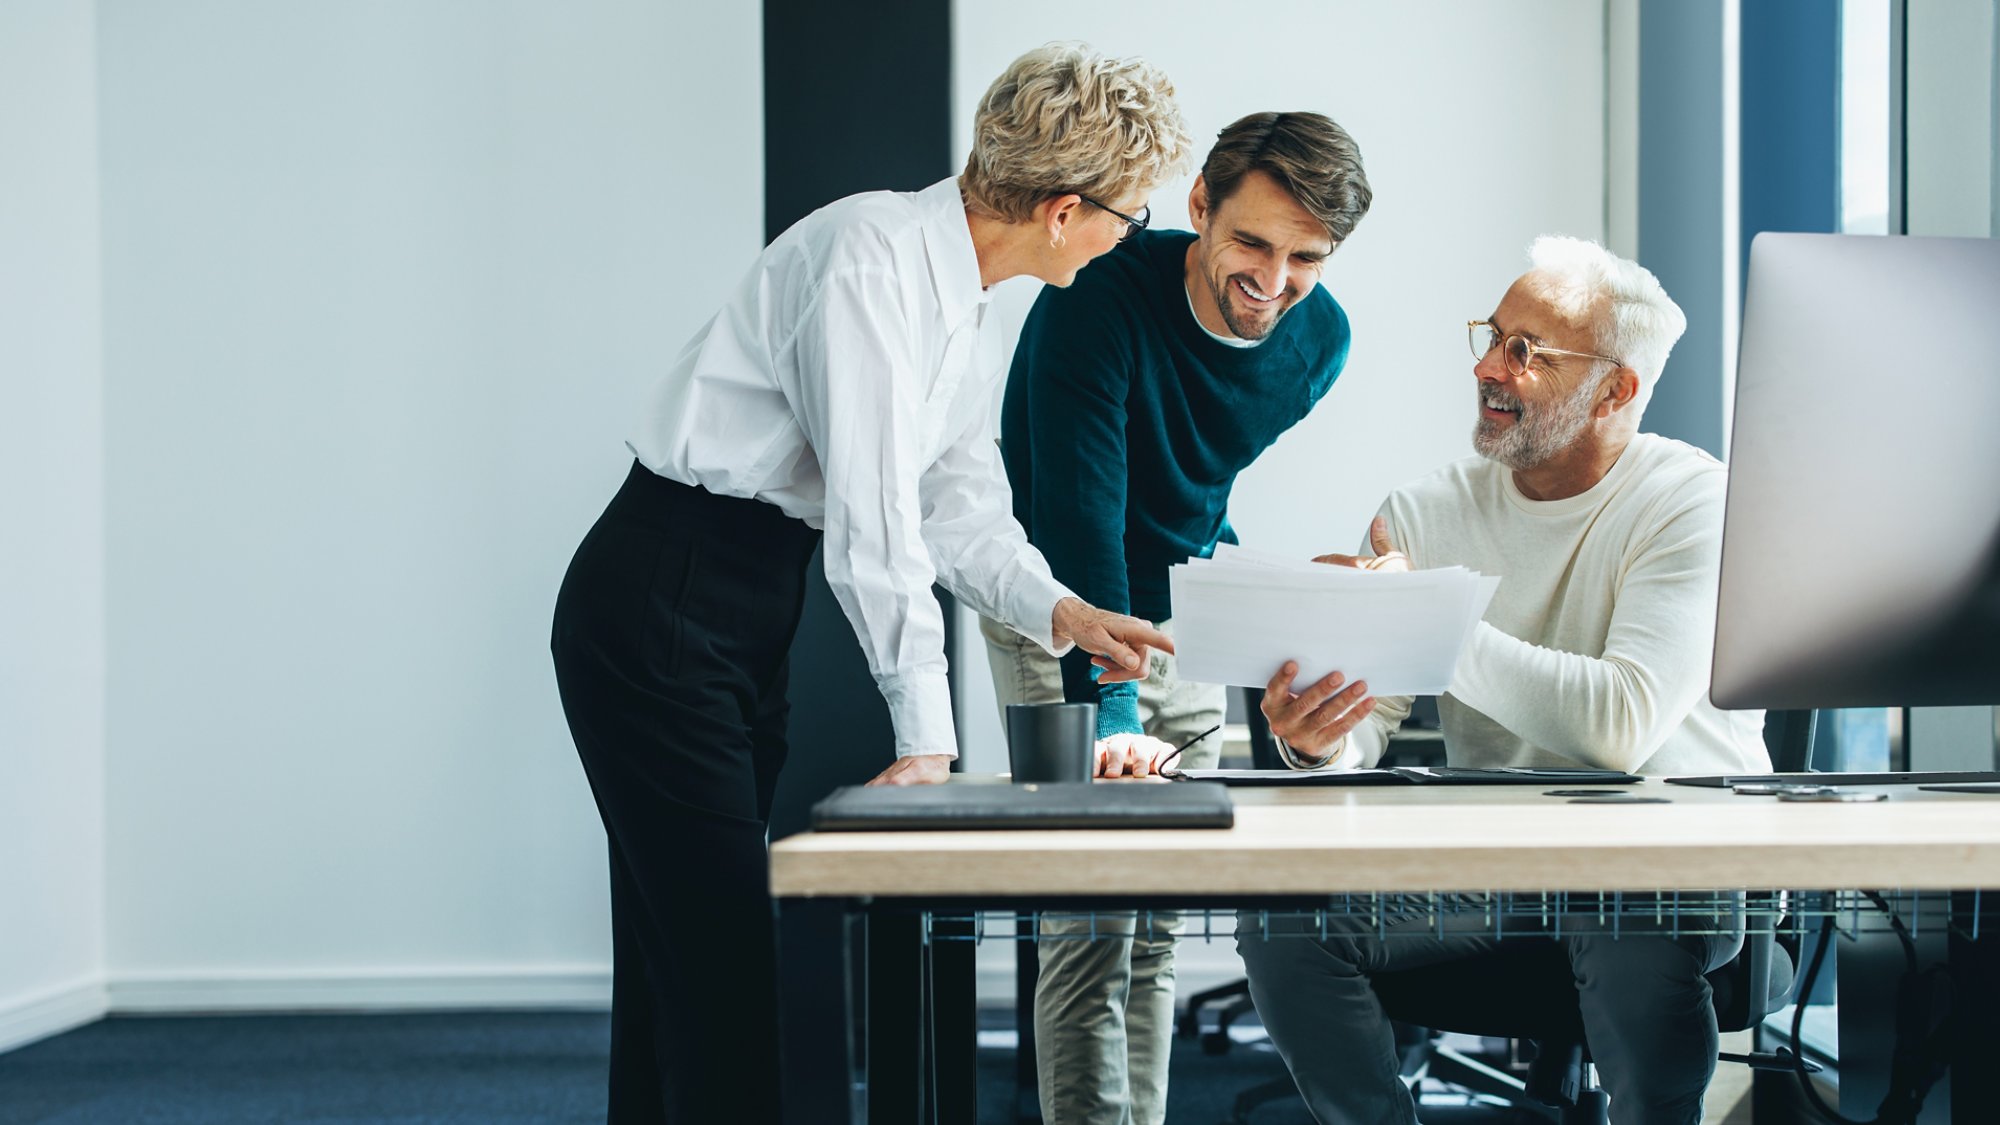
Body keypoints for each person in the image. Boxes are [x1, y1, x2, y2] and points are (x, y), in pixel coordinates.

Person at [549, 43, 1193, 1124]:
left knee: (682, 960)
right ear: (1062, 211)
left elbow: (960, 509)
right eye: (1128, 216)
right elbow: (874, 521)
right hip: (662, 593)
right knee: (716, 965)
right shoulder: (869, 258)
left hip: (740, 600)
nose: (1129, 236)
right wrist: (924, 740)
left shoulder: (966, 303)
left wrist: (1060, 611)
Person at [1237, 236, 1772, 1125]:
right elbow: (1374, 723)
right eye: (1493, 335)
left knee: (1628, 915)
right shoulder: (1424, 510)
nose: (1489, 366)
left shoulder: (1691, 500)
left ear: (1615, 389)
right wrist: (1321, 739)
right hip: (1496, 862)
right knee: (1284, 917)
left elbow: (1621, 726)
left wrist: (1431, 617)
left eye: (1528, 351)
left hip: (1671, 858)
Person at [981, 112, 1371, 1125]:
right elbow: (1081, 517)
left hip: (1174, 606)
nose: (1273, 280)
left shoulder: (1316, 343)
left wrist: (1243, 598)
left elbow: (1190, 479)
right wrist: (1111, 714)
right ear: (1199, 206)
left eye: (1303, 258)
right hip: (1052, 597)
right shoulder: (1093, 301)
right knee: (1092, 912)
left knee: (1155, 913)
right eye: (1250, 242)